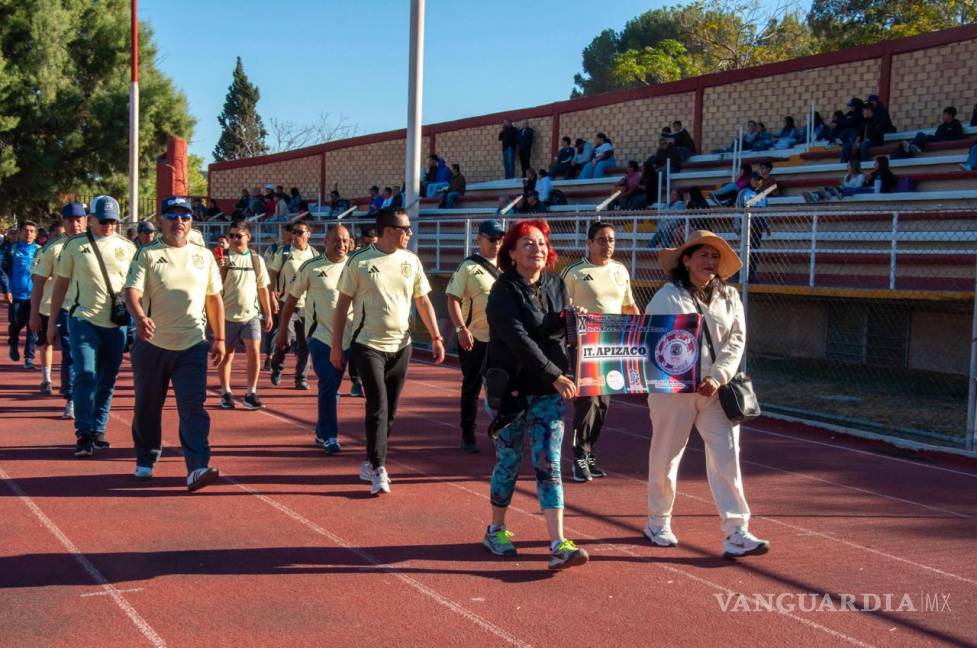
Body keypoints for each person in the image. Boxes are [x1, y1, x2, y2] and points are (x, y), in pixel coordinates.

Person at [644, 230, 769, 558]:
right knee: (666, 456)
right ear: (686, 260)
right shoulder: (667, 296)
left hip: (717, 391)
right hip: (674, 392)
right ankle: (658, 521)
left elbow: (737, 339)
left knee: (727, 457)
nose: (710, 262)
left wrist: (718, 376)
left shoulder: (729, 295)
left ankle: (736, 531)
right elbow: (653, 339)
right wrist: (679, 377)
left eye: (715, 257)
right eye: (704, 256)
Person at [480, 219, 588, 570]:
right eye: (528, 243)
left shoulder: (556, 284)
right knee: (509, 461)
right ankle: (496, 528)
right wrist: (555, 374)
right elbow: (518, 338)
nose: (537, 249)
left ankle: (558, 541)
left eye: (541, 243)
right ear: (511, 252)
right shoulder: (503, 290)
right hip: (510, 390)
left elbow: (549, 328)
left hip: (546, 393)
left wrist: (572, 321)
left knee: (549, 462)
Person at [331, 207, 445, 495]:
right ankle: (380, 467)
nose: (410, 233)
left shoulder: (411, 261)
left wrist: (436, 336)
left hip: (402, 345)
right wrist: (337, 346)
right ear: (388, 230)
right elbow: (342, 305)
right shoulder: (359, 261)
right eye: (405, 229)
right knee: (378, 405)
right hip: (367, 344)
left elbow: (423, 302)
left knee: (390, 411)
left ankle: (370, 458)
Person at [124, 196, 225, 491]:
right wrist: (140, 316)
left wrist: (219, 337)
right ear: (161, 221)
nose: (178, 222)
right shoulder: (147, 254)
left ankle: (197, 467)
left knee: (193, 407)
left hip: (192, 345)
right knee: (147, 406)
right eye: (172, 216)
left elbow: (213, 298)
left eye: (184, 217)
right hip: (152, 344)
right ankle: (146, 457)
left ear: (191, 222)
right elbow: (131, 291)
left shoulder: (203, 256)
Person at [47, 197, 135, 457]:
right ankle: (84, 432)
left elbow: (137, 287)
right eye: (103, 220)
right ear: (91, 219)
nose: (108, 225)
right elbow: (60, 284)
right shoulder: (75, 245)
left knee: (107, 378)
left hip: (116, 324)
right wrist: (52, 322)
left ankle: (99, 429)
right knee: (85, 372)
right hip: (82, 319)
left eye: (112, 221)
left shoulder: (128, 247)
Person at [560, 222, 639, 482]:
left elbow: (629, 306)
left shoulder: (620, 271)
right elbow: (560, 309)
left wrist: (640, 332)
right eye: (602, 240)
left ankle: (590, 454)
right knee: (588, 401)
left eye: (612, 240)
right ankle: (578, 457)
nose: (608, 245)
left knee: (604, 402)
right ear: (589, 243)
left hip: (613, 345)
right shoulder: (574, 272)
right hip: (584, 347)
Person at [279, 224, 353, 454]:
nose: (340, 245)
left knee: (333, 387)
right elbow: (291, 300)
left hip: (349, 338)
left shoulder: (357, 266)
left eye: (345, 240)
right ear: (326, 242)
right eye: (336, 240)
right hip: (319, 337)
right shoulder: (311, 267)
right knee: (329, 383)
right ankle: (330, 436)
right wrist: (282, 331)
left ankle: (321, 431)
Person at [446, 219, 504, 454]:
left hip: (502, 340)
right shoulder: (468, 267)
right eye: (492, 239)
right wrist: (461, 329)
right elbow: (452, 298)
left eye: (500, 239)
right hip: (475, 337)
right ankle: (467, 433)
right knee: (472, 386)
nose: (497, 244)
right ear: (479, 239)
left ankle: (500, 431)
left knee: (503, 387)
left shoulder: (509, 265)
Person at [29, 204, 86, 413]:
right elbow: (38, 283)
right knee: (71, 354)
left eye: (79, 219)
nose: (75, 223)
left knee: (96, 358)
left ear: (87, 220)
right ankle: (71, 398)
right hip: (66, 308)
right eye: (70, 219)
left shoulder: (97, 244)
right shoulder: (52, 249)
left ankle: (90, 396)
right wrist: (34, 314)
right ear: (64, 222)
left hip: (95, 310)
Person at [216, 221, 273, 410]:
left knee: (255, 353)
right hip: (226, 316)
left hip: (251, 315)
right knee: (227, 355)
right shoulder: (223, 258)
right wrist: (218, 267)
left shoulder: (256, 260)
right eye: (231, 236)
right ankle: (226, 392)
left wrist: (268, 313)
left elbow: (262, 287)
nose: (234, 239)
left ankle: (251, 392)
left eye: (238, 236)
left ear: (248, 237)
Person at [268, 220, 319, 389]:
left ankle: (301, 377)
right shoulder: (284, 253)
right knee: (286, 340)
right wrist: (273, 294)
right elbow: (272, 274)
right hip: (286, 303)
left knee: (305, 343)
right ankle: (277, 365)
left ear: (308, 235)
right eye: (294, 232)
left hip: (307, 305)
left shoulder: (315, 255)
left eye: (300, 232)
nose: (296, 236)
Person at [2, 220, 40, 368]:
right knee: (17, 324)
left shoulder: (40, 250)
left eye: (32, 231)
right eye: (26, 230)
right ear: (19, 233)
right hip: (16, 295)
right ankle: (13, 342)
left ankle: (29, 359)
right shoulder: (12, 250)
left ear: (35, 234)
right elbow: (3, 271)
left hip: (34, 295)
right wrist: (7, 290)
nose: (28, 233)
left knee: (33, 327)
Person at [346, 225, 378, 398]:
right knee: (356, 348)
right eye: (368, 243)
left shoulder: (382, 258)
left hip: (376, 312)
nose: (371, 247)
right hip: (354, 312)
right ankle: (356, 381)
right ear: (362, 241)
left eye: (374, 242)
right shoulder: (353, 259)